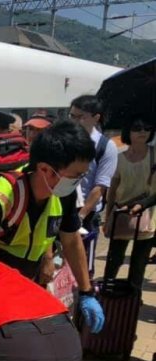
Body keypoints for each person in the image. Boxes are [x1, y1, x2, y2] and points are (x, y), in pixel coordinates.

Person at [0, 120, 105, 334]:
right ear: (45, 169)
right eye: (76, 176)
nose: (79, 182)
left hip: (24, 287)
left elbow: (71, 240)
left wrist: (86, 292)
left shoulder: (62, 193)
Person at [102, 116, 156, 289]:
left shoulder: (154, 155)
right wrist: (108, 217)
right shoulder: (119, 157)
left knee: (139, 262)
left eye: (147, 128)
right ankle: (108, 292)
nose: (142, 132)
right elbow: (112, 191)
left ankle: (134, 296)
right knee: (114, 259)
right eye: (137, 128)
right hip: (122, 213)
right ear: (128, 132)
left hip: (148, 215)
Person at [69, 95, 118, 278]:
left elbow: (100, 186)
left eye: (80, 117)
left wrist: (80, 216)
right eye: (72, 116)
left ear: (96, 118)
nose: (75, 121)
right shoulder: (65, 140)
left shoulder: (105, 147)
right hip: (61, 209)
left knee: (83, 267)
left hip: (86, 215)